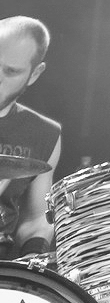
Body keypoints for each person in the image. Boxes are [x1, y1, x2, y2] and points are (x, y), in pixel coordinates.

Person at [0, 16, 60, 262]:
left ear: (34, 74)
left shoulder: (44, 133)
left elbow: (35, 219)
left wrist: (33, 257)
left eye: (10, 71)